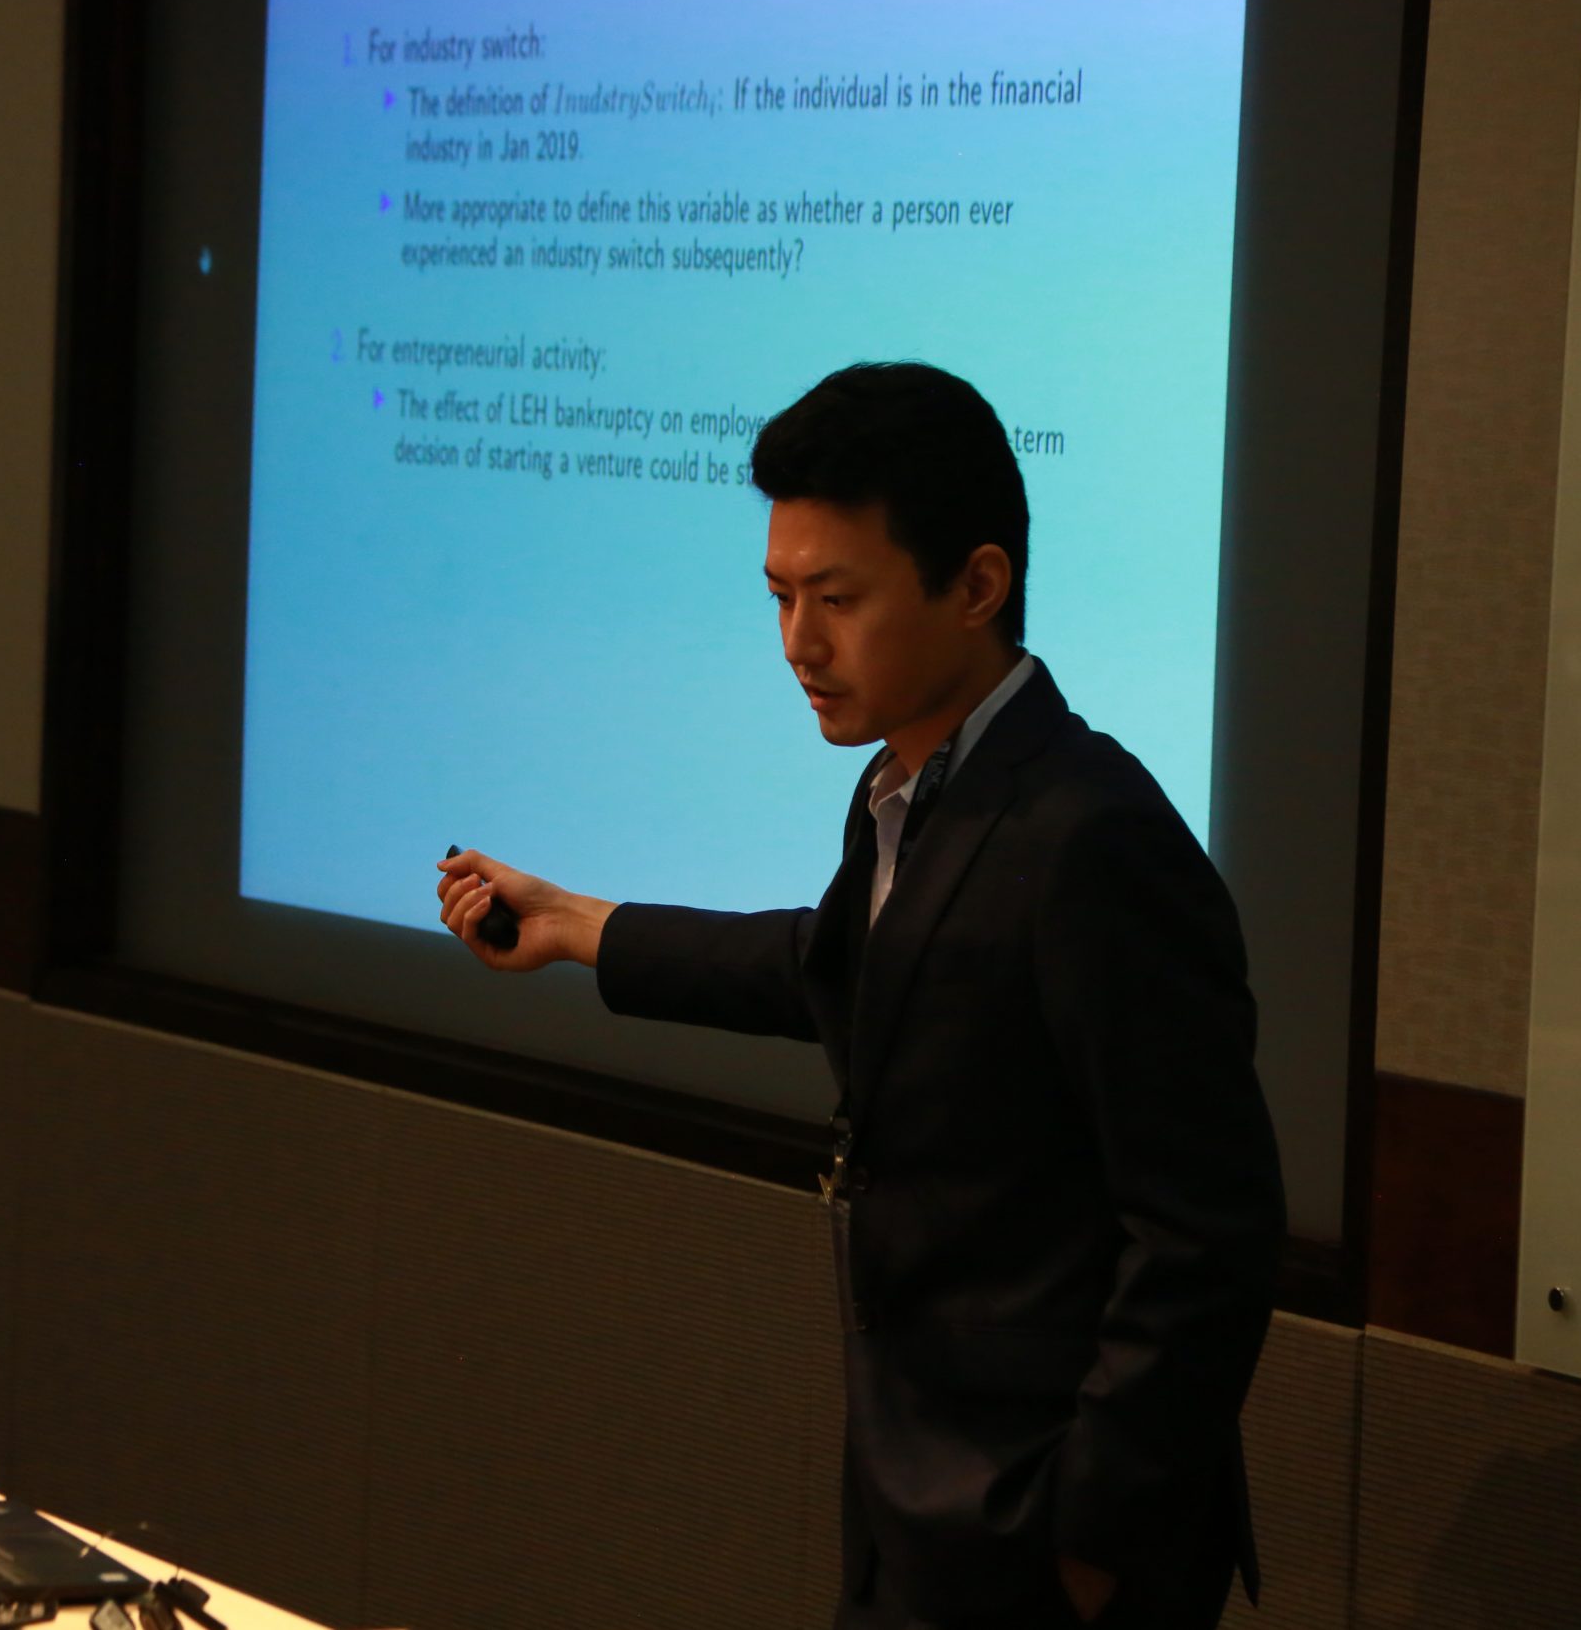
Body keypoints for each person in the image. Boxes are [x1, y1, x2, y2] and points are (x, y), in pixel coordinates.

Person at [434, 361, 1285, 1629]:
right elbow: (840, 966)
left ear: (977, 586)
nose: (797, 644)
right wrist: (577, 926)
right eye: (779, 598)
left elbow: (1207, 1230)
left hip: (1037, 1528)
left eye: (836, 599)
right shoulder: (907, 788)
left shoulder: (1090, 835)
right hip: (918, 1491)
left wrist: (1088, 1542)